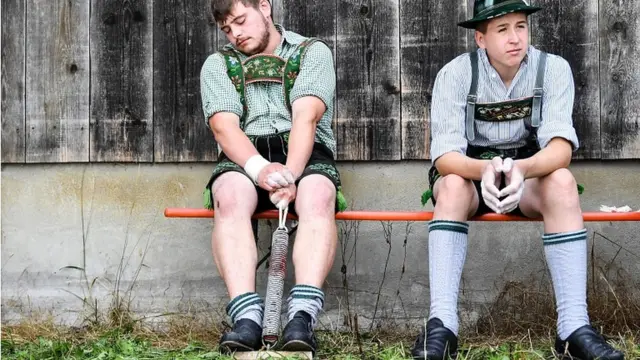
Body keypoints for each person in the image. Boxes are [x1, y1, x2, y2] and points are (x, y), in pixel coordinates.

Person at [411, 1, 624, 359]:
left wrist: (521, 170)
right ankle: (442, 327)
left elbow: (560, 149)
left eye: (521, 27)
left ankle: (573, 327)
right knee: (449, 185)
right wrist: (486, 171)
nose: (515, 38)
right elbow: (445, 157)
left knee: (562, 182)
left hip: (528, 171)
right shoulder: (456, 73)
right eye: (502, 29)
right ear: (481, 39)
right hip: (470, 174)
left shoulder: (552, 69)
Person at [200, 0, 346, 354]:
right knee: (230, 195)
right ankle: (247, 318)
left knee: (317, 195)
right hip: (245, 156)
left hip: (304, 151)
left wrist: (291, 175)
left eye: (240, 21)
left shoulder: (311, 52)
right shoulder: (219, 64)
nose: (235, 34)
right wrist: (260, 170)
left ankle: (301, 318)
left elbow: (306, 118)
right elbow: (224, 127)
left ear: (264, 6)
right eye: (226, 29)